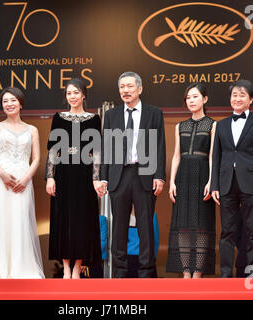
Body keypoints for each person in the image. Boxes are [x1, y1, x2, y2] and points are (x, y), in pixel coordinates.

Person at [100, 71, 166, 278]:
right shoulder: (111, 115)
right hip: (119, 175)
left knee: (145, 225)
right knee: (118, 225)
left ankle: (146, 273)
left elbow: (160, 145)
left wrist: (160, 175)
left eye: (129, 86)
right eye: (122, 87)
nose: (125, 91)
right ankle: (118, 273)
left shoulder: (154, 112)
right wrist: (103, 176)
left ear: (140, 88)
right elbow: (106, 147)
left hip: (144, 173)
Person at [0, 87, 44, 279]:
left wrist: (25, 179)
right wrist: (3, 175)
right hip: (1, 181)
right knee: (0, 221)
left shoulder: (33, 129)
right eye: (5, 101)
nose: (9, 104)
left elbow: (37, 159)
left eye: (13, 100)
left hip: (23, 181)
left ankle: (21, 269)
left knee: (20, 221)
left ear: (20, 103)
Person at [210, 79, 253, 278]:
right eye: (234, 95)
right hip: (226, 183)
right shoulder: (221, 125)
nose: (237, 98)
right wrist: (214, 185)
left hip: (251, 183)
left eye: (242, 95)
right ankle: (226, 275)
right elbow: (216, 156)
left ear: (250, 99)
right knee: (227, 231)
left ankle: (252, 273)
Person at [46, 78, 102, 279]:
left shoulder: (94, 119)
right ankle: (66, 268)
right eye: (69, 93)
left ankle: (78, 268)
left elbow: (96, 151)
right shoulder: (58, 118)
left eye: (76, 92)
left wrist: (96, 178)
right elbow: (53, 149)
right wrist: (50, 177)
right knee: (63, 219)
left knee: (83, 220)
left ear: (83, 95)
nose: (72, 96)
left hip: (85, 173)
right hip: (63, 172)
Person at [166, 83, 217, 279]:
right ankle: (186, 272)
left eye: (195, 97)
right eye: (188, 98)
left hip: (203, 174)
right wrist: (172, 182)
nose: (191, 101)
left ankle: (198, 273)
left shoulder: (213, 125)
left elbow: (212, 156)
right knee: (183, 227)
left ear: (205, 99)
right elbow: (176, 156)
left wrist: (211, 182)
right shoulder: (180, 126)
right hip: (183, 177)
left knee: (202, 226)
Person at [127, 210, 159, 278]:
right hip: (146, 257)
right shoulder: (151, 214)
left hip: (128, 258)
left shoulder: (123, 215)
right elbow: (155, 240)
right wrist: (153, 257)